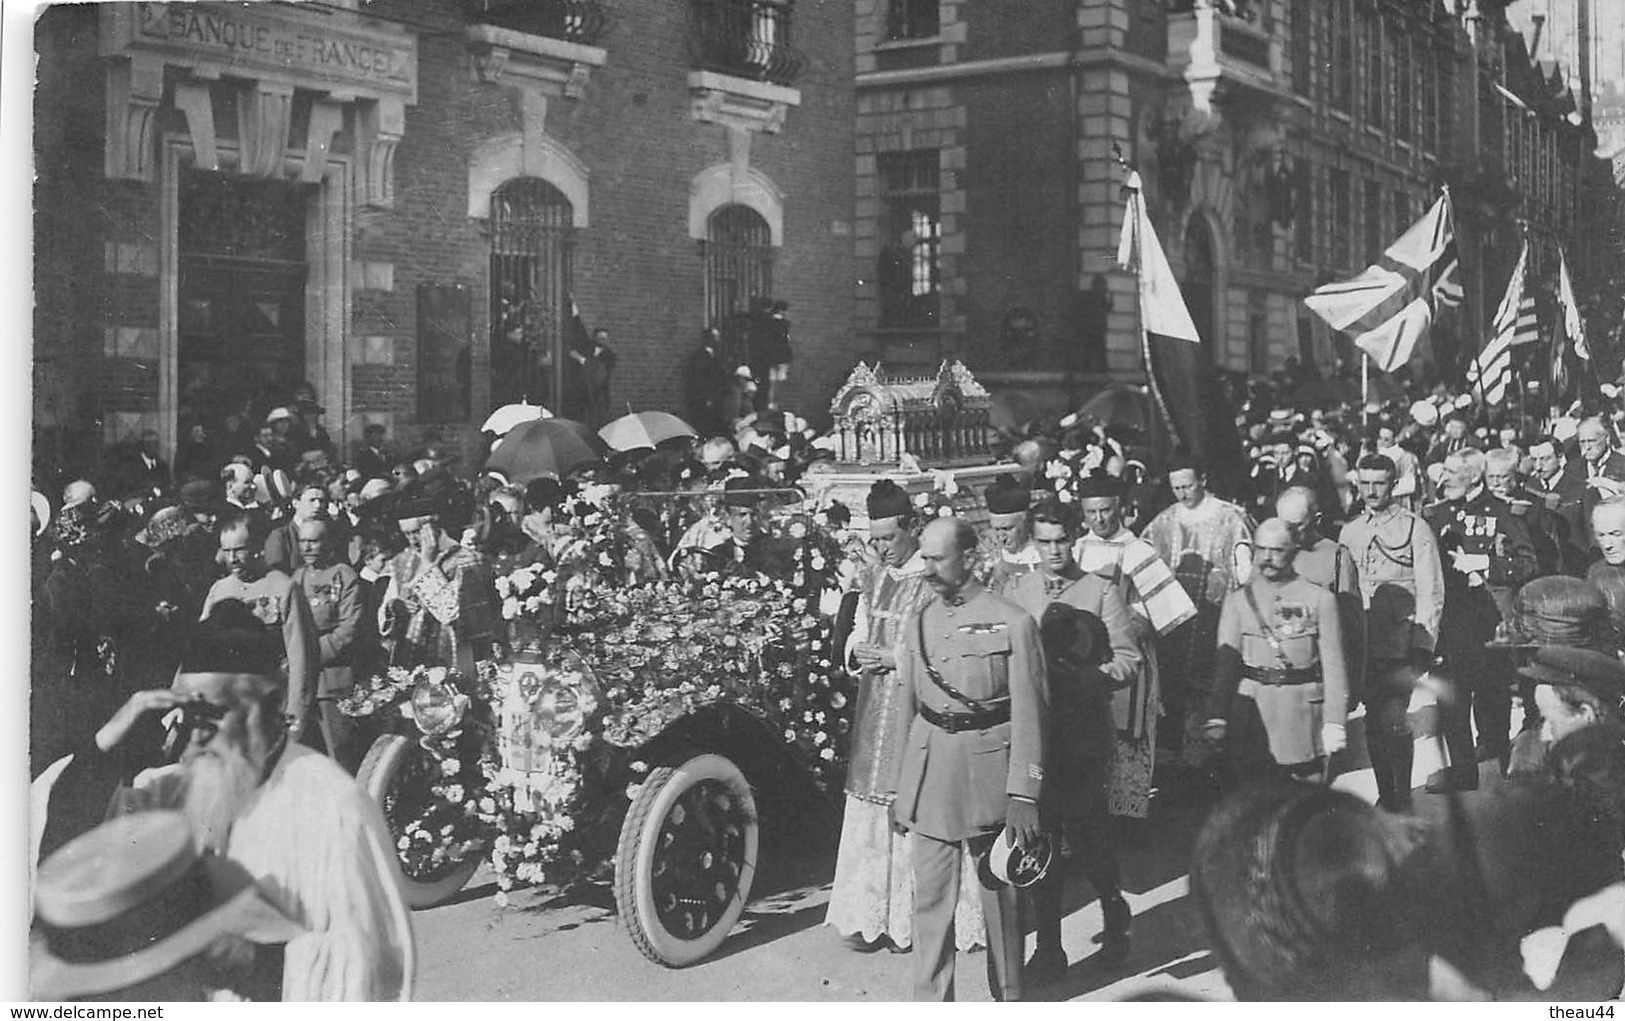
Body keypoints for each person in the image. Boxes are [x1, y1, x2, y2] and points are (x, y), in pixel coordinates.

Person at [38, 605, 414, 999]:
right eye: (184, 713)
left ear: (266, 710)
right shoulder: (173, 791)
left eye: (211, 714)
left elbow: (380, 963)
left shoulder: (331, 804)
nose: (194, 733)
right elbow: (69, 854)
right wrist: (108, 741)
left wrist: (255, 957)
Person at [887, 516, 1048, 1002]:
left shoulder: (1014, 621)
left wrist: (1025, 793)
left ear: (969, 558)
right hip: (932, 774)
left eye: (938, 558)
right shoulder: (919, 622)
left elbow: (1032, 713)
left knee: (1000, 897)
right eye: (925, 558)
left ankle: (1010, 997)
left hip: (989, 778)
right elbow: (907, 711)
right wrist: (899, 789)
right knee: (930, 904)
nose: (928, 569)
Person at [825, 481, 984, 955]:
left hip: (919, 708)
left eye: (888, 539)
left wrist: (895, 657)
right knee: (872, 801)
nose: (880, 548)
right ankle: (874, 914)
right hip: (876, 704)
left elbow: (947, 645)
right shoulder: (875, 576)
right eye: (874, 539)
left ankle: (913, 919)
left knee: (915, 804)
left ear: (913, 529)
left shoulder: (934, 581)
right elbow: (856, 630)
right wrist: (859, 651)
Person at [1002, 497, 1140, 980]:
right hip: (1036, 735)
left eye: (1062, 540)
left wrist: (1087, 679)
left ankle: (1113, 911)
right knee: (1040, 841)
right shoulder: (1018, 591)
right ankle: (1050, 949)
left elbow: (1128, 659)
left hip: (1082, 734)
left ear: (1076, 538)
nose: (1054, 550)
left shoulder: (1101, 591)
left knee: (1088, 838)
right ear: (1033, 543)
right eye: (1044, 541)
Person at [1073, 472, 1197, 821]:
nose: (1100, 519)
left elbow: (1158, 616)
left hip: (1130, 662)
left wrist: (1113, 628)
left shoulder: (1139, 551)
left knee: (1128, 745)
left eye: (1106, 510)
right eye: (1092, 512)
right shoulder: (1077, 549)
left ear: (1120, 508)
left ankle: (1127, 819)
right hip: (1085, 665)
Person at [1206, 518, 1349, 785]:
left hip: (1302, 722)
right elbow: (1225, 666)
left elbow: (1334, 667)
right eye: (1261, 549)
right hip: (1251, 721)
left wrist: (1334, 721)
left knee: (1303, 812)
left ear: (1294, 551)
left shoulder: (1319, 599)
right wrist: (1217, 715)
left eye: (1277, 550)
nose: (1267, 558)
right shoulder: (1237, 601)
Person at [1426, 447, 1538, 785]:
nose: (1442, 478)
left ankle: (1503, 757)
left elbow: (1529, 563)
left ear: (1474, 476)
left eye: (1450, 471)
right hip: (1451, 619)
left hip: (1491, 619)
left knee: (1493, 691)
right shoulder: (1436, 514)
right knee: (1452, 696)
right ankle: (1462, 772)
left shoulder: (1502, 512)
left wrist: (1485, 564)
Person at [1339, 454, 1445, 809]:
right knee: (1372, 722)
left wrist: (1422, 646)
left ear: (1394, 484)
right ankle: (1387, 794)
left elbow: (1431, 590)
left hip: (1401, 645)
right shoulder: (1350, 531)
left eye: (1379, 483)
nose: (1370, 491)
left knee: (1394, 720)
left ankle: (1401, 798)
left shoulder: (1415, 528)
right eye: (1364, 483)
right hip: (1363, 646)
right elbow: (1344, 594)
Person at [1143, 455, 1255, 769]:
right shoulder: (1162, 523)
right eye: (1176, 487)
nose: (1182, 494)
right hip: (1175, 633)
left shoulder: (1231, 518)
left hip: (1217, 623)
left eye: (1188, 486)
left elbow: (1247, 573)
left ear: (1202, 480)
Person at [202, 515, 321, 744]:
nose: (233, 559)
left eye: (239, 550)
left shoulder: (283, 587)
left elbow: (302, 656)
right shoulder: (219, 590)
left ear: (257, 548)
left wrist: (296, 715)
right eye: (226, 551)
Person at [379, 474, 496, 676]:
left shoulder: (466, 559)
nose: (412, 540)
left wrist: (426, 563)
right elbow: (387, 607)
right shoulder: (401, 561)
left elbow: (454, 612)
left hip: (454, 654)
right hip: (411, 656)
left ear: (433, 524)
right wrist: (395, 607)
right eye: (406, 534)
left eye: (416, 532)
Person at [1277, 486, 1364, 707]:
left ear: (1316, 519)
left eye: (1297, 526)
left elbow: (1353, 631)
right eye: (1283, 525)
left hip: (1317, 683)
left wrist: (1350, 688)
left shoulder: (1336, 557)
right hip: (1276, 684)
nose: (1289, 533)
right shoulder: (1270, 554)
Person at [291, 518, 363, 771]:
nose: (307, 548)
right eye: (303, 541)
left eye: (314, 541)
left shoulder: (344, 575)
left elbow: (348, 629)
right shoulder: (297, 576)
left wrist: (308, 656)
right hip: (300, 683)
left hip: (331, 681)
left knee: (339, 756)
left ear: (328, 542)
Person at [981, 473, 1038, 590]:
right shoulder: (987, 552)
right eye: (996, 529)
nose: (1001, 537)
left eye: (1007, 529)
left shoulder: (1044, 549)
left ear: (1025, 522)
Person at [264, 484, 327, 576]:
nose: (318, 505)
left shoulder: (329, 534)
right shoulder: (280, 535)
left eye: (321, 501)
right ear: (295, 503)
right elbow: (276, 575)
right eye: (312, 500)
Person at [683, 327, 731, 438]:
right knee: (706, 427)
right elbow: (700, 379)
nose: (718, 341)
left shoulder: (715, 356)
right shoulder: (700, 357)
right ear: (708, 339)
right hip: (705, 402)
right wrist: (708, 398)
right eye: (715, 337)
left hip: (714, 401)